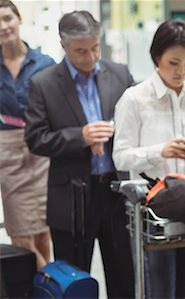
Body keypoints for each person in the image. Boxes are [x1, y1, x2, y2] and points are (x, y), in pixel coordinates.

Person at [25, 11, 134, 298]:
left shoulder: (120, 74)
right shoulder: (43, 83)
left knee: (124, 276)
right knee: (74, 283)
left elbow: (137, 124)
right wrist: (80, 137)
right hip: (71, 196)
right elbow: (35, 139)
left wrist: (113, 131)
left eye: (95, 47)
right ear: (64, 46)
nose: (91, 56)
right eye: (81, 51)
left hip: (116, 192)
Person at [113, 20, 185, 298]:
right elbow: (120, 157)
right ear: (156, 56)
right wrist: (161, 150)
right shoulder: (134, 99)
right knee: (159, 289)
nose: (181, 71)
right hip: (155, 210)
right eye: (173, 62)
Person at [0, 0, 54, 270]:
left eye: (7, 18)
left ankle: (43, 289)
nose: (3, 26)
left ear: (19, 19)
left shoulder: (44, 64)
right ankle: (55, 281)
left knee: (43, 230)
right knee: (20, 234)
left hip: (42, 151)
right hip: (7, 152)